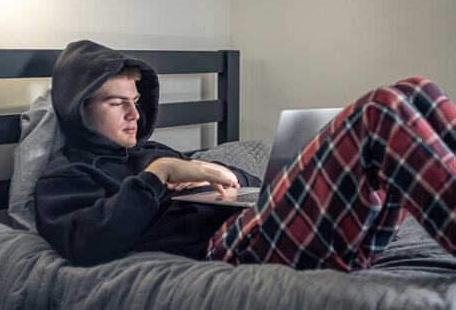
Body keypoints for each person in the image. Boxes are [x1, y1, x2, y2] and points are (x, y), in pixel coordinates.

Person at [34, 40, 456, 271]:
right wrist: (158, 175)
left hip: (261, 220)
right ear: (81, 106)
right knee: (382, 108)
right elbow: (88, 244)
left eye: (136, 99)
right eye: (115, 103)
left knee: (418, 92)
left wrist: (222, 175)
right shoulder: (65, 178)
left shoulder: (155, 150)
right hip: (227, 247)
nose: (134, 113)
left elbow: (253, 187)